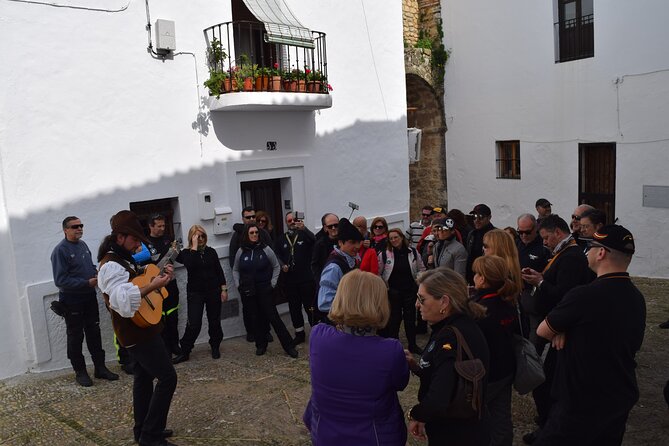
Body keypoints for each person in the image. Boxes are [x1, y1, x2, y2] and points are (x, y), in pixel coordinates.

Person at [535, 225, 645, 445]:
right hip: (617, 396)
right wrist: (565, 328)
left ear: (601, 252)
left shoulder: (584, 295)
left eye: (591, 247)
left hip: (580, 400)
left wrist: (562, 328)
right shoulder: (637, 298)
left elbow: (543, 330)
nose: (587, 252)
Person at [97, 210, 177, 446]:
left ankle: (143, 430)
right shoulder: (109, 265)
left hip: (142, 328)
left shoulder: (122, 259)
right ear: (120, 237)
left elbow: (140, 284)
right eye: (134, 239)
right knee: (167, 378)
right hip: (135, 332)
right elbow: (118, 299)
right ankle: (151, 436)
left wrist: (160, 280)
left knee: (143, 377)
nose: (138, 245)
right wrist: (151, 287)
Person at [303, 270, 409, 445]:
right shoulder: (390, 350)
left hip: (325, 434)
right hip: (374, 437)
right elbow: (400, 383)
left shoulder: (318, 335)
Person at [520, 214, 592, 444]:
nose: (544, 243)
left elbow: (565, 296)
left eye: (545, 238)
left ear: (558, 233)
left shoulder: (571, 257)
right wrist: (540, 278)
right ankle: (548, 425)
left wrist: (540, 283)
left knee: (545, 381)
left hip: (555, 327)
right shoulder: (563, 253)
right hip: (551, 322)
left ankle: (548, 428)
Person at [405, 268, 490, 445]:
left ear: (444, 302)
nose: (417, 304)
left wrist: (417, 413)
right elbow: (448, 374)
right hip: (468, 427)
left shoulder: (450, 335)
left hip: (455, 432)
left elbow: (440, 396)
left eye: (422, 299)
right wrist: (416, 367)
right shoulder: (463, 324)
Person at [50, 216, 119, 387]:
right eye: (75, 226)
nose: (79, 229)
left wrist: (96, 274)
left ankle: (100, 368)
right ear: (65, 229)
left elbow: (88, 267)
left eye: (81, 225)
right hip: (72, 300)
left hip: (89, 297)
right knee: (75, 336)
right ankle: (80, 372)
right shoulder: (60, 251)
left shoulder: (82, 245)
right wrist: (85, 283)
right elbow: (60, 280)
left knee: (94, 333)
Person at [472, 255, 520, 446]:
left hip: (487, 374)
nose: (473, 276)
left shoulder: (480, 308)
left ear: (483, 279)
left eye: (476, 273)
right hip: (506, 369)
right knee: (501, 417)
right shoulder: (507, 301)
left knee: (478, 417)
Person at [233, 223, 298, 358]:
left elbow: (276, 266)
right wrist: (238, 284)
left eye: (256, 232)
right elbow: (235, 269)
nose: (255, 235)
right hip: (248, 290)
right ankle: (261, 345)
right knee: (255, 318)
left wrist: (272, 284)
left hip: (265, 288)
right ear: (246, 235)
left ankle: (289, 346)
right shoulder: (241, 251)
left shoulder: (266, 249)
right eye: (252, 233)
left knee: (273, 317)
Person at [172, 225, 227, 364]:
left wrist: (224, 289)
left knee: (214, 321)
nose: (201, 239)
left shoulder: (211, 252)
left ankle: (215, 346)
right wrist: (194, 246)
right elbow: (190, 265)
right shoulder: (186, 253)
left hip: (213, 291)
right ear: (191, 237)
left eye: (202, 236)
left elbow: (219, 271)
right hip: (195, 293)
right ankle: (185, 350)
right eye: (197, 236)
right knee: (194, 323)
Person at [378, 228, 426, 354]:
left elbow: (422, 268)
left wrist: (419, 280)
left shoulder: (413, 252)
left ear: (401, 237)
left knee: (410, 319)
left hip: (410, 290)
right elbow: (379, 272)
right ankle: (394, 344)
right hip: (393, 291)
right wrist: (385, 286)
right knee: (394, 319)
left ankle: (412, 344)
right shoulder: (384, 254)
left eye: (396, 237)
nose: (394, 240)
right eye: (391, 238)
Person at [228, 206, 272, 342]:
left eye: (253, 216)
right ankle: (251, 332)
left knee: (265, 307)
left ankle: (266, 332)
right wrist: (239, 282)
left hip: (263, 279)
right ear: (243, 219)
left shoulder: (263, 233)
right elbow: (233, 260)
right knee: (248, 309)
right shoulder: (237, 236)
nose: (252, 219)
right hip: (246, 281)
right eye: (248, 217)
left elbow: (271, 254)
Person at [274, 211, 316, 344]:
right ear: (286, 223)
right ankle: (299, 333)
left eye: (294, 219)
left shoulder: (305, 235)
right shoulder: (281, 239)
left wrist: (305, 229)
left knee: (310, 307)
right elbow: (276, 254)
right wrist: (282, 265)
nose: (292, 222)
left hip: (306, 279)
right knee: (294, 308)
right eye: (289, 220)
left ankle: (316, 332)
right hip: (290, 281)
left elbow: (315, 241)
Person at [143, 214, 181, 357]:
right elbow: (142, 266)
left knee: (173, 317)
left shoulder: (169, 240)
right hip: (154, 287)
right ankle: (163, 349)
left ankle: (174, 345)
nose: (162, 228)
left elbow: (180, 256)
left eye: (164, 225)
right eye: (159, 226)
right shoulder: (144, 243)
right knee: (159, 320)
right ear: (151, 226)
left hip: (170, 284)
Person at [516, 214, 550, 352]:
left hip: (535, 297)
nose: (523, 235)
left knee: (535, 337)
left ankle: (533, 361)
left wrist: (539, 277)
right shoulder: (517, 244)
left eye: (527, 232)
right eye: (520, 232)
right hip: (518, 294)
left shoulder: (543, 246)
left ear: (535, 229)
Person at [317, 218, 362, 316]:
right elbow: (325, 303)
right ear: (340, 242)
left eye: (359, 242)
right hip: (340, 323)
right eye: (352, 242)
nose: (358, 246)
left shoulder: (352, 259)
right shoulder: (334, 267)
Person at [483, 229, 524, 296]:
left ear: (497, 248)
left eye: (485, 246)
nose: (483, 249)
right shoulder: (511, 270)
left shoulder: (500, 274)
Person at [465, 203, 496, 284]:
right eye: (474, 217)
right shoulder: (472, 234)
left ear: (489, 218)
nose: (477, 220)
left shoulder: (495, 235)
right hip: (472, 277)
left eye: (481, 217)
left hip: (487, 277)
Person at [311, 213, 339, 280]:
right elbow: (315, 265)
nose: (333, 228)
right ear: (325, 228)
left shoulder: (345, 240)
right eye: (330, 226)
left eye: (336, 225)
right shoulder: (320, 244)